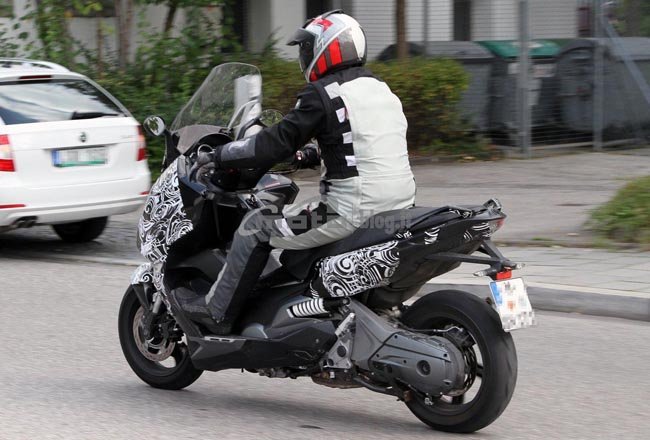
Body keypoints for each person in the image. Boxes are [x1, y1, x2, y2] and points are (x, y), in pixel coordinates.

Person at [177, 9, 416, 335]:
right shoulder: (381, 89)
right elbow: (362, 145)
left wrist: (219, 155)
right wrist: (311, 155)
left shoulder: (323, 94)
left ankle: (215, 313)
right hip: (398, 210)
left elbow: (270, 145)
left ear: (328, 48)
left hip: (346, 212)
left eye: (307, 48)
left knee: (255, 227)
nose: (303, 56)